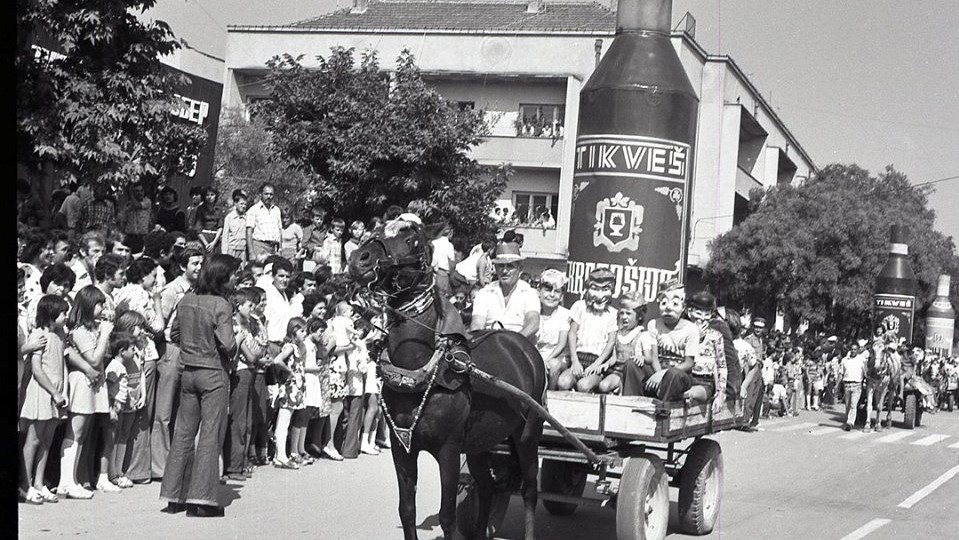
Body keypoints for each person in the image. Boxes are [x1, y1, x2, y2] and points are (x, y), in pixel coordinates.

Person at [160, 253, 239, 517]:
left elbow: (174, 334)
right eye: (233, 274)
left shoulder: (186, 300)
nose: (236, 279)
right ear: (222, 277)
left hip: (189, 370)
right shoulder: (221, 304)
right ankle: (201, 500)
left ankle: (174, 496)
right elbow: (228, 344)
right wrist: (233, 344)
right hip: (213, 372)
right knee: (209, 434)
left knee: (183, 432)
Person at [152, 248, 204, 480]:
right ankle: (159, 466)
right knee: (163, 411)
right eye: (194, 263)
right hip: (170, 350)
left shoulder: (198, 290)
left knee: (181, 411)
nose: (199, 267)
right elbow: (160, 321)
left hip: (189, 351)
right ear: (183, 266)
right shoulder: (173, 289)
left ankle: (179, 463)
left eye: (201, 263)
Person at [58, 286, 113, 500]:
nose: (102, 308)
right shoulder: (80, 330)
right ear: (89, 305)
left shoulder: (92, 329)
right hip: (81, 382)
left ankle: (71, 480)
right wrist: (105, 334)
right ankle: (66, 482)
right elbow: (94, 359)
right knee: (75, 431)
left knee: (81, 433)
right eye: (99, 304)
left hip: (91, 382)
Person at [20, 295, 71, 504]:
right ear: (51, 314)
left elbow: (63, 365)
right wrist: (54, 392)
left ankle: (40, 483)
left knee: (48, 439)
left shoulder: (60, 334)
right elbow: (38, 370)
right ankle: (26, 485)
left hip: (57, 394)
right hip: (42, 392)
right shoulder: (38, 335)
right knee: (33, 439)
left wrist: (64, 391)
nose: (66, 316)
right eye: (63, 313)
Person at [624, 281, 699, 399]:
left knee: (673, 374)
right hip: (657, 371)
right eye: (664, 303)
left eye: (675, 304)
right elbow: (654, 357)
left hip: (679, 376)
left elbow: (689, 363)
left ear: (683, 307)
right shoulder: (653, 324)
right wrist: (658, 374)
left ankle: (662, 411)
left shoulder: (691, 329)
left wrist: (663, 375)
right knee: (631, 364)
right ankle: (630, 403)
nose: (668, 308)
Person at [222, 288, 264, 481]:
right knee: (238, 420)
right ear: (238, 306)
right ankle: (233, 466)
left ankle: (240, 462)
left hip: (248, 370)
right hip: (239, 371)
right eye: (249, 305)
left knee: (245, 420)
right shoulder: (234, 326)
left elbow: (258, 353)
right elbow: (251, 354)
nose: (252, 308)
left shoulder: (247, 326)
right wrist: (250, 350)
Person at [557, 268, 617, 393]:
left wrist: (597, 364)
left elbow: (611, 342)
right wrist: (574, 361)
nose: (599, 295)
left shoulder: (613, 314)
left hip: (597, 361)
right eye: (595, 288)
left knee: (584, 386)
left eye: (605, 289)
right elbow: (572, 333)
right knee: (563, 382)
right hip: (578, 357)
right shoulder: (579, 306)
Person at [469, 242, 540, 338]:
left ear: (520, 269)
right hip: (490, 345)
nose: (504, 271)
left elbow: (533, 323)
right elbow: (477, 326)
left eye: (510, 266)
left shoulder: (530, 293)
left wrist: (513, 342)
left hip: (520, 346)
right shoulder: (484, 293)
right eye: (501, 266)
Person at [270, 317, 310, 469]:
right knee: (283, 422)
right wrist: (290, 372)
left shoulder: (298, 347)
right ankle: (281, 456)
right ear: (294, 331)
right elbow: (277, 361)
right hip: (290, 388)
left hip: (296, 388)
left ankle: (279, 455)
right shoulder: (290, 347)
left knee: (286, 421)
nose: (305, 333)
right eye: (302, 331)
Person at [601, 293, 657, 395]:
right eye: (622, 313)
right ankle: (617, 388)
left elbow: (649, 358)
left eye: (628, 313)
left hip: (633, 375)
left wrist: (642, 358)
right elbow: (614, 357)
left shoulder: (642, 335)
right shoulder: (618, 334)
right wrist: (607, 364)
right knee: (603, 386)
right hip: (617, 373)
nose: (624, 317)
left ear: (639, 316)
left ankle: (623, 390)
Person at [536, 269, 571, 390]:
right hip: (537, 356)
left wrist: (546, 359)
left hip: (557, 358)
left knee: (553, 365)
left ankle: (550, 395)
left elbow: (561, 345)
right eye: (547, 289)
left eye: (556, 291)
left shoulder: (565, 315)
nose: (551, 295)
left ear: (561, 295)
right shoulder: (533, 312)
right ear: (539, 291)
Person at [245, 183, 283, 261]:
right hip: (259, 247)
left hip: (273, 248)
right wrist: (251, 252)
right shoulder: (253, 210)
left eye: (271, 194)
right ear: (260, 194)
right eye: (266, 194)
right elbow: (249, 232)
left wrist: (280, 249)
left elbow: (279, 230)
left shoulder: (276, 210)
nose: (268, 197)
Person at [838, 340, 868, 431]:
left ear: (858, 350)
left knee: (853, 405)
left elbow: (865, 373)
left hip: (857, 385)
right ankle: (848, 420)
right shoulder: (844, 360)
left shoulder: (862, 360)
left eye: (855, 349)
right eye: (852, 349)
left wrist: (867, 382)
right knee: (847, 405)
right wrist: (837, 385)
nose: (853, 351)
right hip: (846, 385)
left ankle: (850, 422)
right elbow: (841, 373)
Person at [221, 189, 249, 261]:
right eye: (241, 204)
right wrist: (224, 253)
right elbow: (225, 236)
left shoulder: (247, 218)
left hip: (242, 250)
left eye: (245, 204)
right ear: (235, 203)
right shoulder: (229, 217)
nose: (243, 206)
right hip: (231, 249)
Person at [195, 187, 223, 254]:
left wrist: (213, 243)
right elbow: (198, 229)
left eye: (212, 195)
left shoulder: (219, 210)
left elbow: (220, 227)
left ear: (215, 196)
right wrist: (206, 244)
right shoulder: (200, 209)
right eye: (207, 195)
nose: (209, 197)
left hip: (215, 239)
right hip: (204, 238)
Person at [431, 222, 455, 297]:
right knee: (442, 296)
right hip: (443, 273)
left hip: (432, 272)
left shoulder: (433, 242)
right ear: (450, 232)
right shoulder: (449, 245)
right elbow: (452, 261)